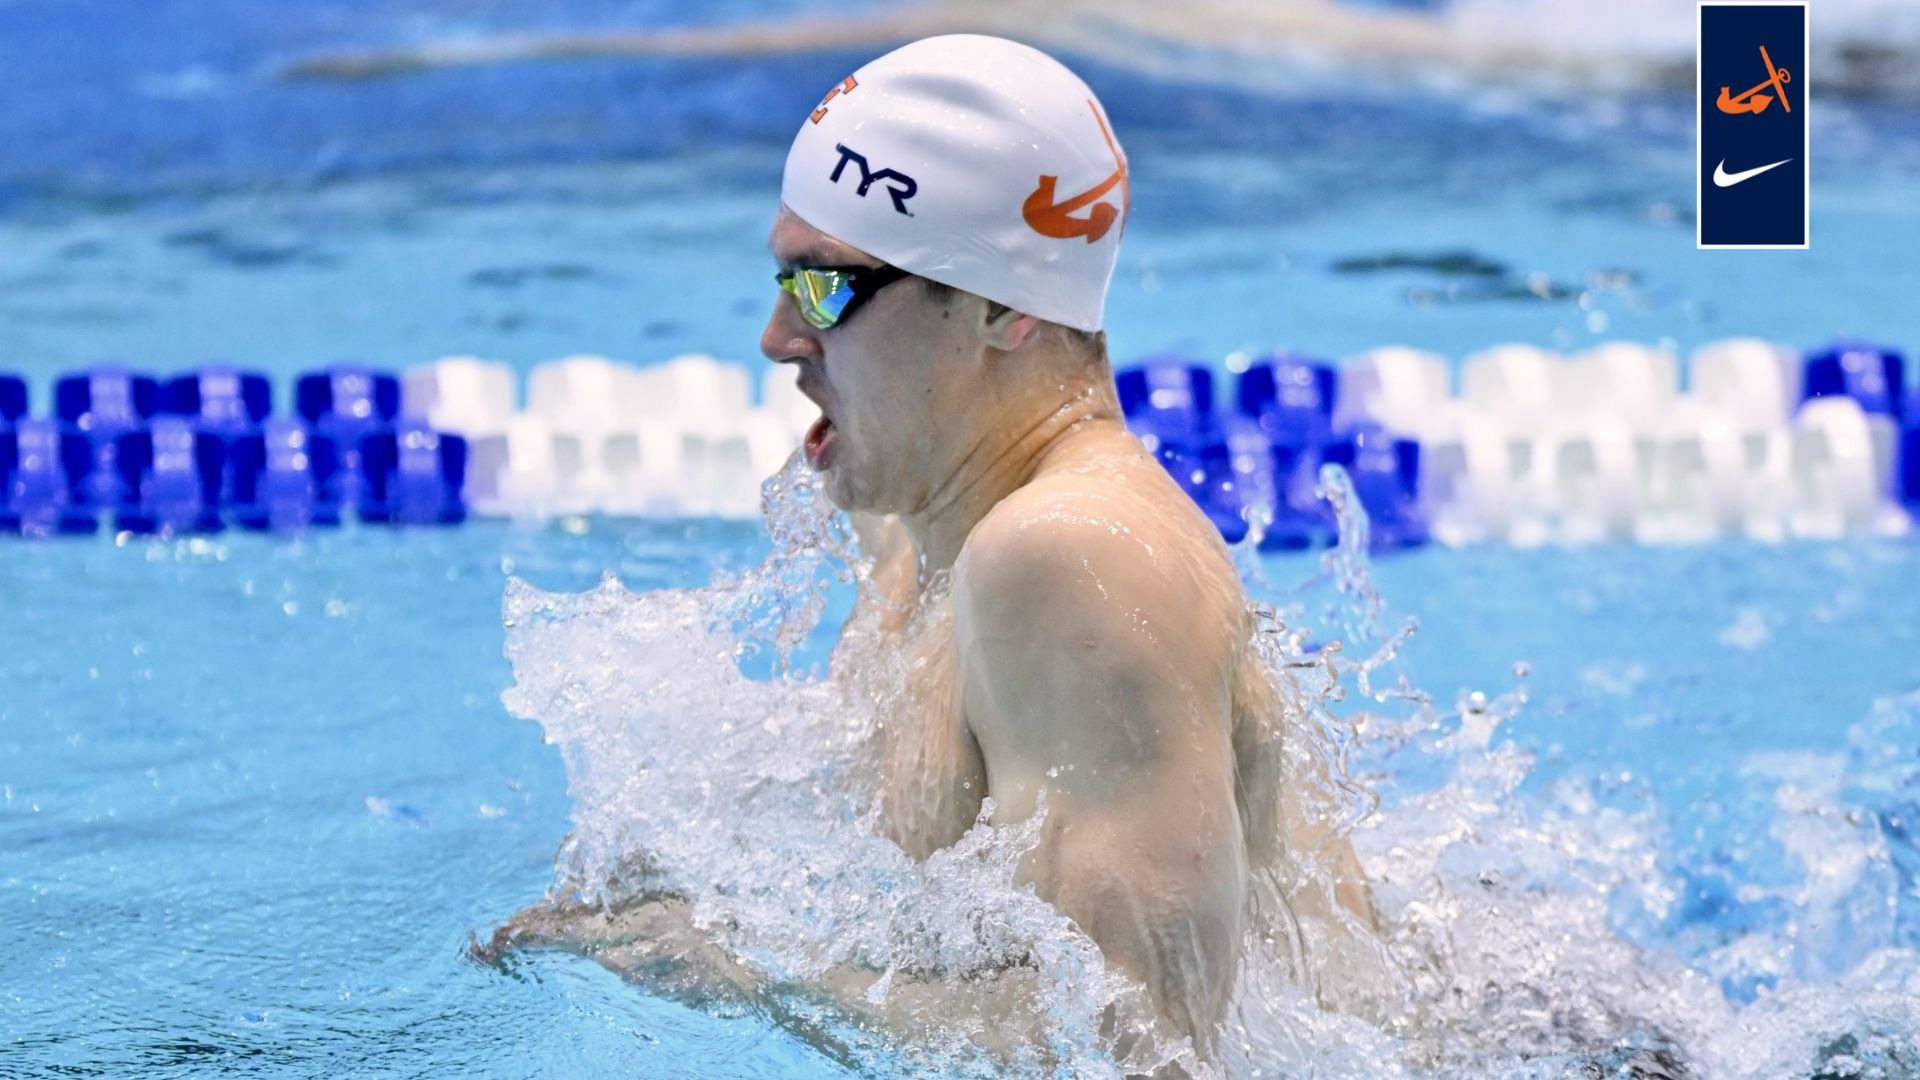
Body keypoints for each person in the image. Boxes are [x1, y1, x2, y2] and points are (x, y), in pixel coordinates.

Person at [760, 34, 1381, 1059]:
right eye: (784, 279)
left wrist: (727, 968)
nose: (780, 335)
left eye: (825, 288)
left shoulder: (1069, 560)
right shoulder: (931, 514)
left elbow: (1142, 1051)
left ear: (1004, 309)